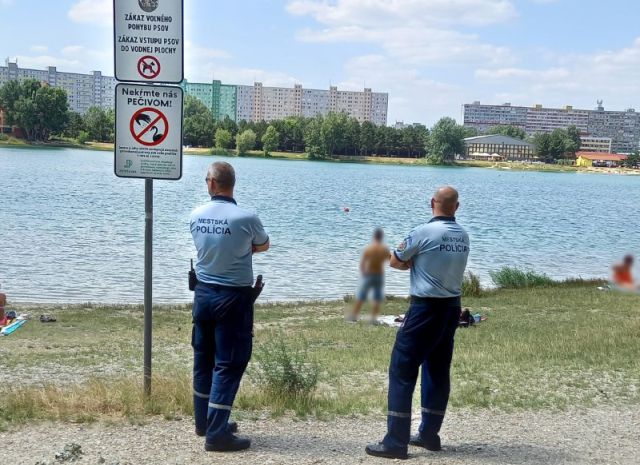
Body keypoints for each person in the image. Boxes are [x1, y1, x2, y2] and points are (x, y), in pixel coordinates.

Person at [365, 186, 470, 460]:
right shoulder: (463, 235)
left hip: (425, 308)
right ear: (456, 208)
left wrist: (414, 263)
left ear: (432, 203)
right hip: (451, 308)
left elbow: (395, 261)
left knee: (402, 369)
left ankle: (395, 441)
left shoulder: (423, 232)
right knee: (437, 370)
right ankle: (428, 433)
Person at [189, 161, 270, 452]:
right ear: (232, 184)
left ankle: (205, 422)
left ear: (211, 183)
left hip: (203, 294)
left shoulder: (196, 215)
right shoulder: (246, 218)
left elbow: (203, 244)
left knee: (203, 359)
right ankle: (217, 433)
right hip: (233, 298)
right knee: (229, 362)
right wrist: (240, 246)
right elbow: (263, 245)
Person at [347, 228, 390, 323]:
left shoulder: (368, 249)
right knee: (377, 297)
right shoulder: (384, 249)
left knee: (361, 296)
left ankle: (354, 316)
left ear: (374, 236)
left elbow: (362, 264)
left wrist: (363, 273)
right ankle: (373, 318)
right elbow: (390, 260)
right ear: (382, 237)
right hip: (379, 275)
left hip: (369, 274)